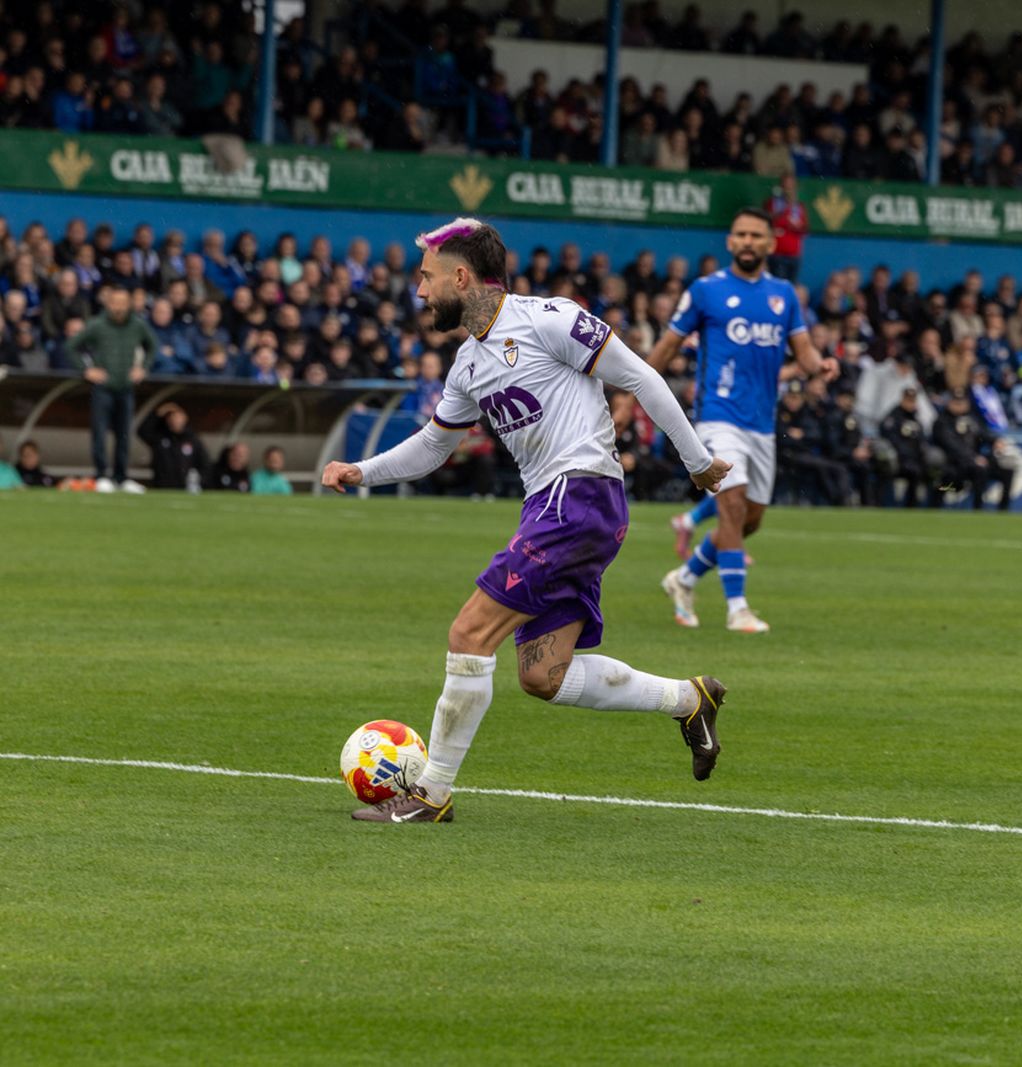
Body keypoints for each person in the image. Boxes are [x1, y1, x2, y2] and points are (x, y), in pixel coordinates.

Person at [321, 217, 732, 825]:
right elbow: (434, 446)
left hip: (578, 496)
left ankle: (431, 795)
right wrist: (361, 471)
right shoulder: (467, 364)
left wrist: (696, 462)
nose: (420, 292)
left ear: (462, 276)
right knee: (543, 674)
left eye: (428, 278)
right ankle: (688, 699)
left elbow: (641, 376)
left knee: (469, 635)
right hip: (559, 508)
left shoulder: (549, 318)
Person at [649, 208, 838, 634]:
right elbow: (668, 346)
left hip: (761, 425)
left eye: (757, 235)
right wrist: (635, 384)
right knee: (730, 506)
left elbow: (804, 352)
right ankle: (738, 609)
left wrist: (819, 366)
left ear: (771, 244)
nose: (748, 241)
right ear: (730, 242)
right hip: (718, 416)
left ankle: (684, 578)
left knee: (748, 521)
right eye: (741, 234)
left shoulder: (784, 294)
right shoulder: (705, 291)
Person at [66, 287, 157, 493]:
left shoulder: (137, 325)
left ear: (129, 304)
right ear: (108, 303)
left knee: (124, 433)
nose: (118, 307)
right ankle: (101, 475)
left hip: (126, 387)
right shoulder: (97, 325)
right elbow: (72, 346)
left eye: (122, 302)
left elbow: (152, 346)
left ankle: (121, 477)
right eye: (114, 302)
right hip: (103, 388)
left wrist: (143, 368)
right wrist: (86, 370)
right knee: (99, 432)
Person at [139, 402, 211, 490]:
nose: (174, 420)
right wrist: (157, 413)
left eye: (177, 417)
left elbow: (205, 464)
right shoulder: (160, 437)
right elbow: (142, 431)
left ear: (184, 418)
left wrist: (198, 482)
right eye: (171, 417)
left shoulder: (193, 440)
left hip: (184, 487)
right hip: (161, 486)